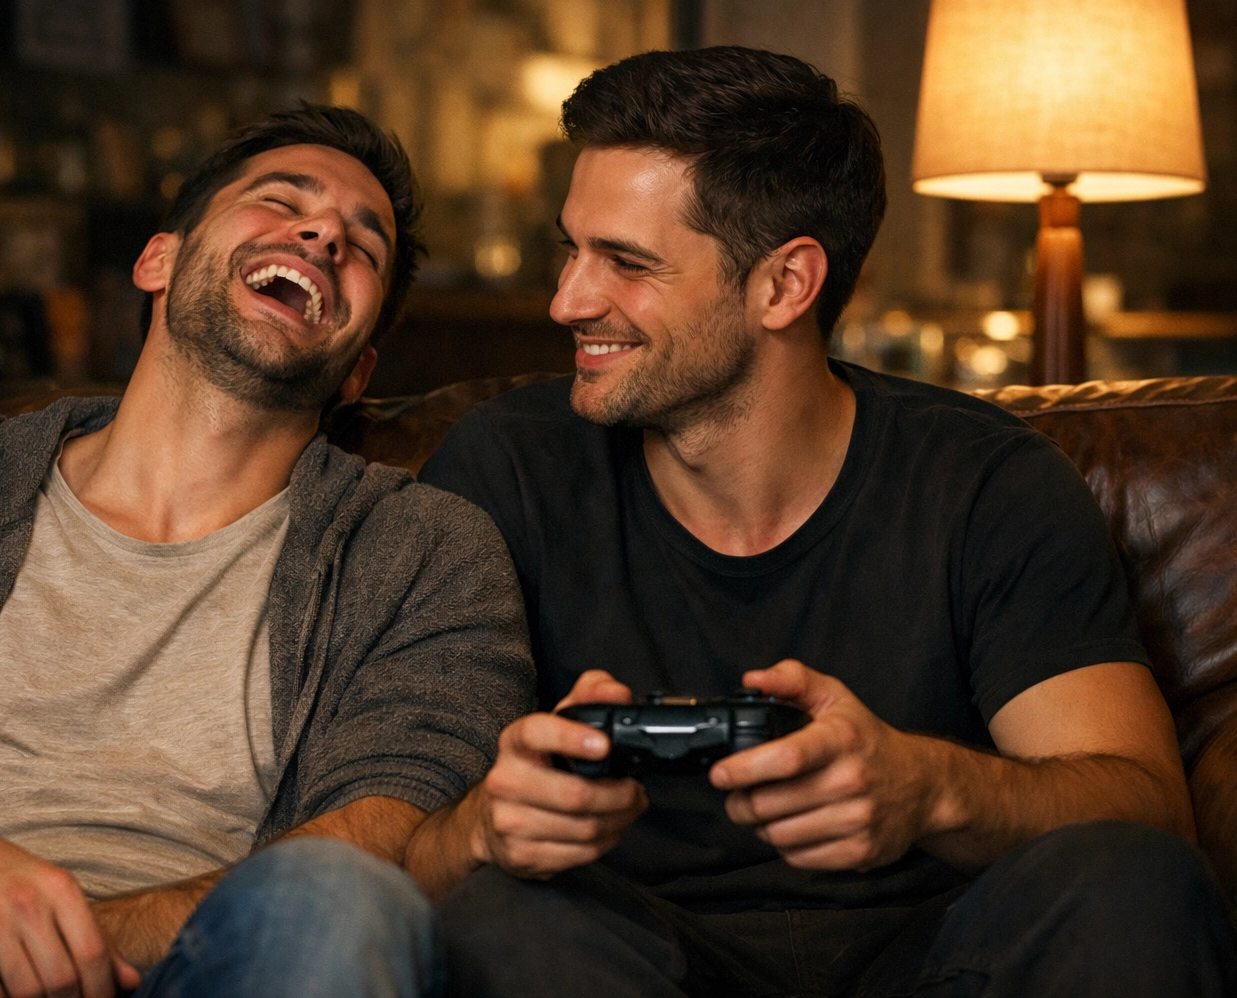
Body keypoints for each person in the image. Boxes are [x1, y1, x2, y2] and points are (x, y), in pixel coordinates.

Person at [406, 48, 1237, 996]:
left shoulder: (983, 480)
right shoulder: (507, 468)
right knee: (492, 913)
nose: (568, 300)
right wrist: (481, 825)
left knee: (1132, 879)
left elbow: (1146, 808)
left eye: (625, 263)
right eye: (571, 248)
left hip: (935, 958)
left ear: (785, 285)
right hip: (627, 958)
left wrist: (931, 788)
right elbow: (391, 855)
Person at [0, 104, 534, 998]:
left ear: (361, 366)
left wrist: (60, 943)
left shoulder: (427, 555)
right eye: (280, 200)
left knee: (336, 895)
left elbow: (386, 837)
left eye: (362, 246)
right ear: (159, 261)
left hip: (204, 972)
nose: (324, 231)